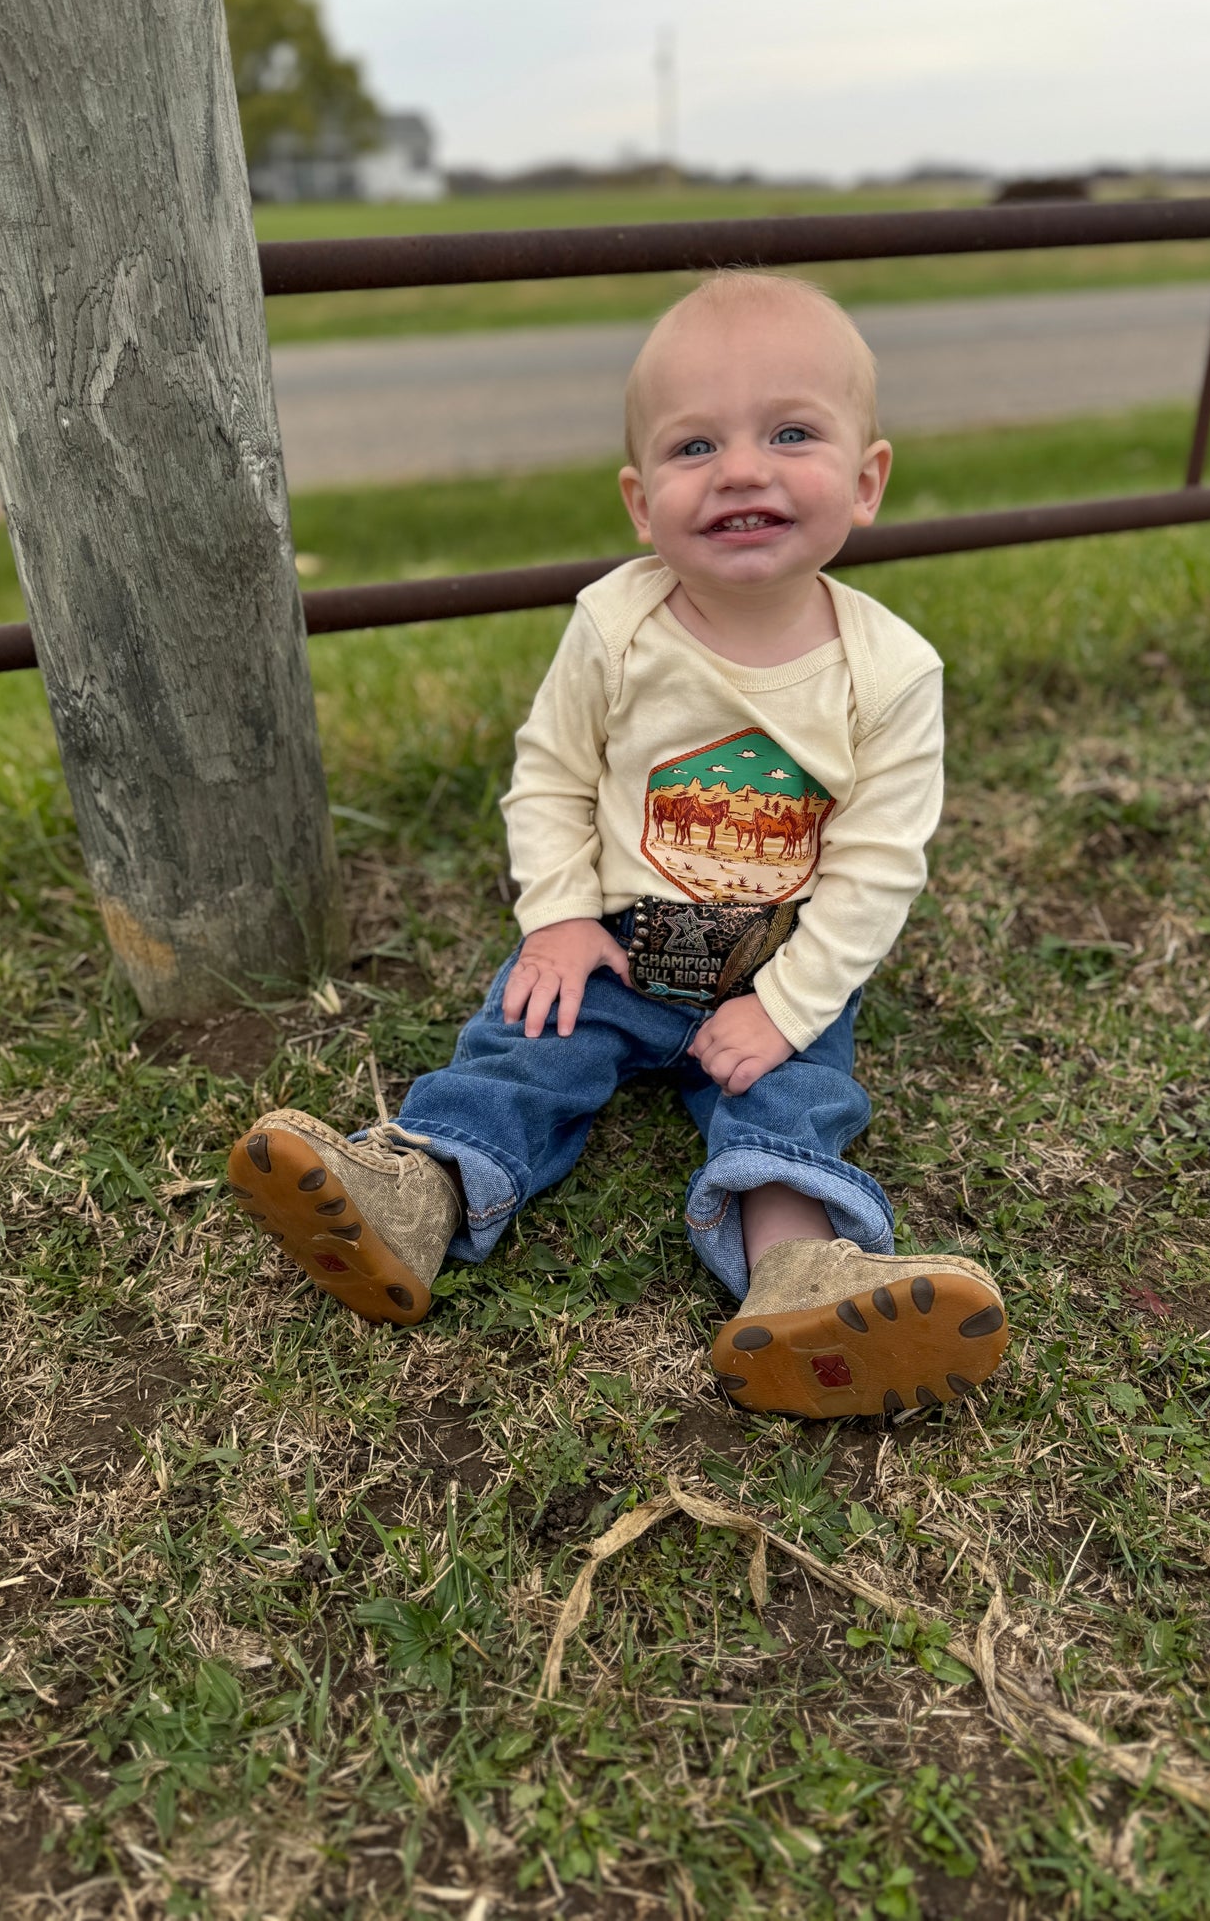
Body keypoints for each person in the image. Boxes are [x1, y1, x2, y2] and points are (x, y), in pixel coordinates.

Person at [227, 271, 1009, 1420]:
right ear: (642, 503)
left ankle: (797, 1284)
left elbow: (875, 867)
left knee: (792, 1100)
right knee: (522, 1044)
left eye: (790, 433)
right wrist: (556, 917)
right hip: (618, 943)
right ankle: (417, 1193)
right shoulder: (614, 625)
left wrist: (786, 1009)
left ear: (866, 479)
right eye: (697, 446)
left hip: (776, 959)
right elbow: (548, 773)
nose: (741, 468)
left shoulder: (890, 673)